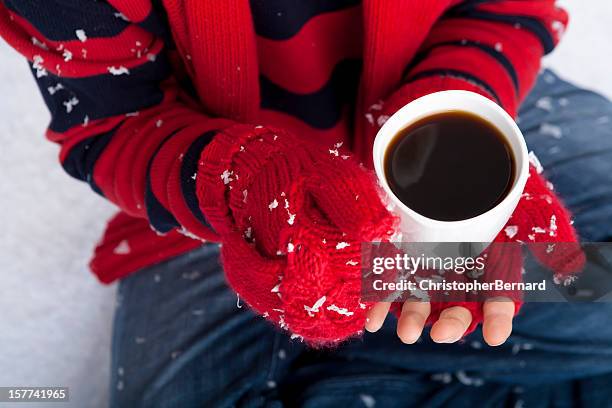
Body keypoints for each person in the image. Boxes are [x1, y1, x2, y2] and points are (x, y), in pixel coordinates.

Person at [1, 0, 611, 406]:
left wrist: (449, 107)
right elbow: (111, 121)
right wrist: (236, 183)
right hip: (215, 210)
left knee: (596, 277)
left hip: (475, 95)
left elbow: (506, 9)